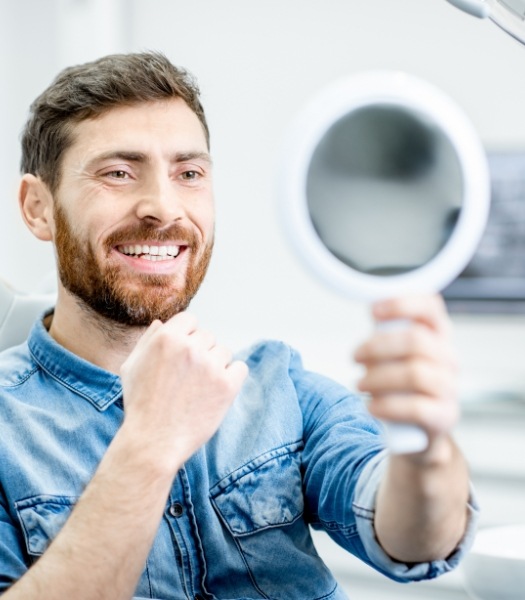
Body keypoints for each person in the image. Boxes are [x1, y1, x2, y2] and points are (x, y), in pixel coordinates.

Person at [0, 51, 478, 600]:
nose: (163, 206)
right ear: (38, 207)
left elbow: (418, 541)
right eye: (118, 172)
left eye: (189, 173)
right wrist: (149, 445)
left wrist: (426, 449)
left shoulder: (279, 387)